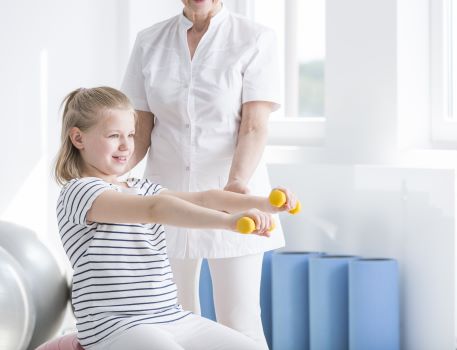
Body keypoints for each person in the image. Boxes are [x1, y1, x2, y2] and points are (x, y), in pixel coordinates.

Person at [53, 87, 297, 350]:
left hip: (169, 316)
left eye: (131, 135)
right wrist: (230, 222)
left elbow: (206, 198)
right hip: (115, 325)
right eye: (114, 136)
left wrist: (265, 203)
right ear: (78, 138)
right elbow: (154, 209)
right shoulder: (79, 191)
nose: (126, 145)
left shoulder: (140, 187)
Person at [121, 0, 283, 347]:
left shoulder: (255, 38)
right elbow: (140, 126)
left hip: (235, 196)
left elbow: (254, 125)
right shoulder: (149, 40)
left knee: (239, 320)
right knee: (171, 318)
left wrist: (236, 184)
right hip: (166, 200)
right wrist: (109, 177)